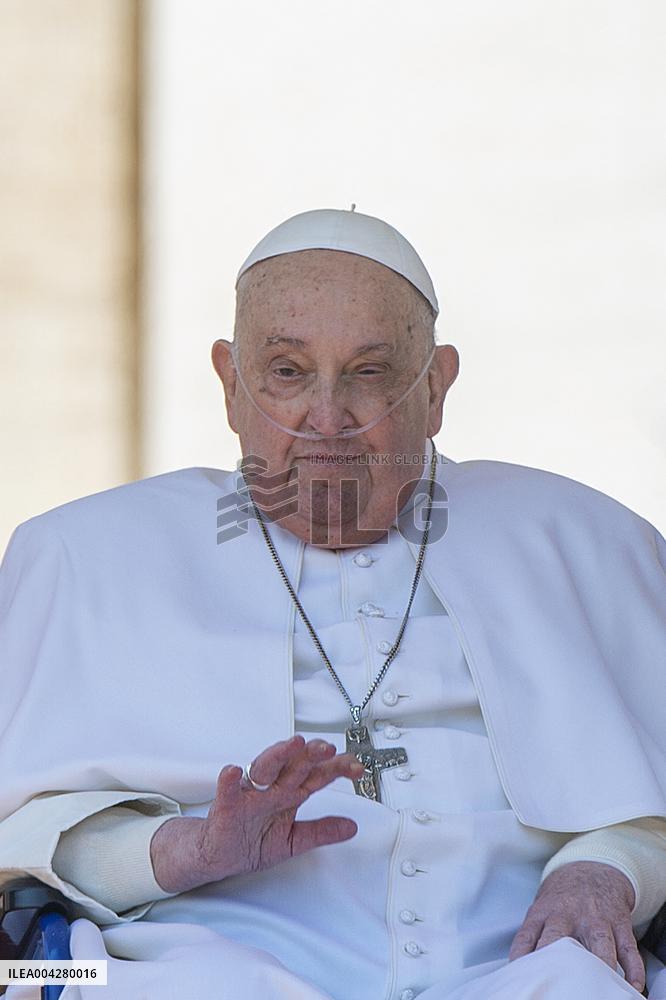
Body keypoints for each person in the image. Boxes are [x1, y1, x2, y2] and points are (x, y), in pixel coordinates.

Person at [1, 207, 665, 1000]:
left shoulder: (585, 542)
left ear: (439, 386)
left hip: (521, 970)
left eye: (369, 373)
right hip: (202, 965)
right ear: (229, 382)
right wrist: (187, 848)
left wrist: (602, 870)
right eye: (286, 371)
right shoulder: (86, 555)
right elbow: (22, 843)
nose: (327, 418)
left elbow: (648, 795)